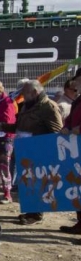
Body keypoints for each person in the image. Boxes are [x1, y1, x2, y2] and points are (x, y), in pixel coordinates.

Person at [0, 80, 62, 225]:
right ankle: (31, 212)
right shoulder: (27, 105)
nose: (22, 96)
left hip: (38, 150)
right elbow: (19, 127)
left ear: (34, 92)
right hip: (24, 150)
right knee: (28, 183)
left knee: (38, 183)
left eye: (25, 93)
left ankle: (36, 215)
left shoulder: (48, 107)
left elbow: (57, 132)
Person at [59, 68, 81, 238]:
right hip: (75, 148)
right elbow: (70, 118)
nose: (76, 83)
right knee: (76, 186)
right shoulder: (77, 99)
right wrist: (66, 127)